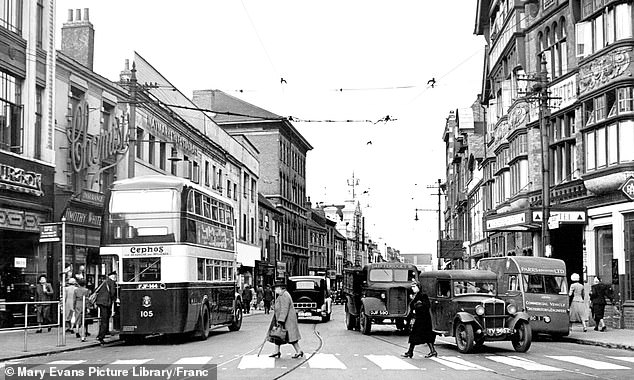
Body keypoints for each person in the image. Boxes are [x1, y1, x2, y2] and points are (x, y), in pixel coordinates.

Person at [268, 281, 303, 358]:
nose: (275, 290)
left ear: (280, 288)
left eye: (275, 288)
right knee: (277, 335)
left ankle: (299, 351)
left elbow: (284, 308)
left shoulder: (284, 295)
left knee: (290, 337)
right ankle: (276, 351)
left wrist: (281, 320)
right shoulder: (282, 295)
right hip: (285, 319)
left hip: (287, 320)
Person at [402, 280, 437, 358]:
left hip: (423, 319)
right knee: (423, 336)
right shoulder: (416, 296)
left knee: (416, 336)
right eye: (412, 287)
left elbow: (426, 305)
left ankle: (410, 352)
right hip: (420, 319)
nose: (413, 289)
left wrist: (419, 305)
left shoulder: (423, 295)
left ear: (419, 287)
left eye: (414, 287)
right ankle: (432, 351)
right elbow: (412, 307)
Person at [95, 271, 117, 344]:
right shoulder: (112, 282)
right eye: (115, 276)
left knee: (104, 318)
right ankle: (101, 336)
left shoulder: (103, 282)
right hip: (106, 303)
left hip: (100, 302)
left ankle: (104, 332)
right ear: (113, 276)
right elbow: (112, 292)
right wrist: (115, 299)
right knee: (105, 319)